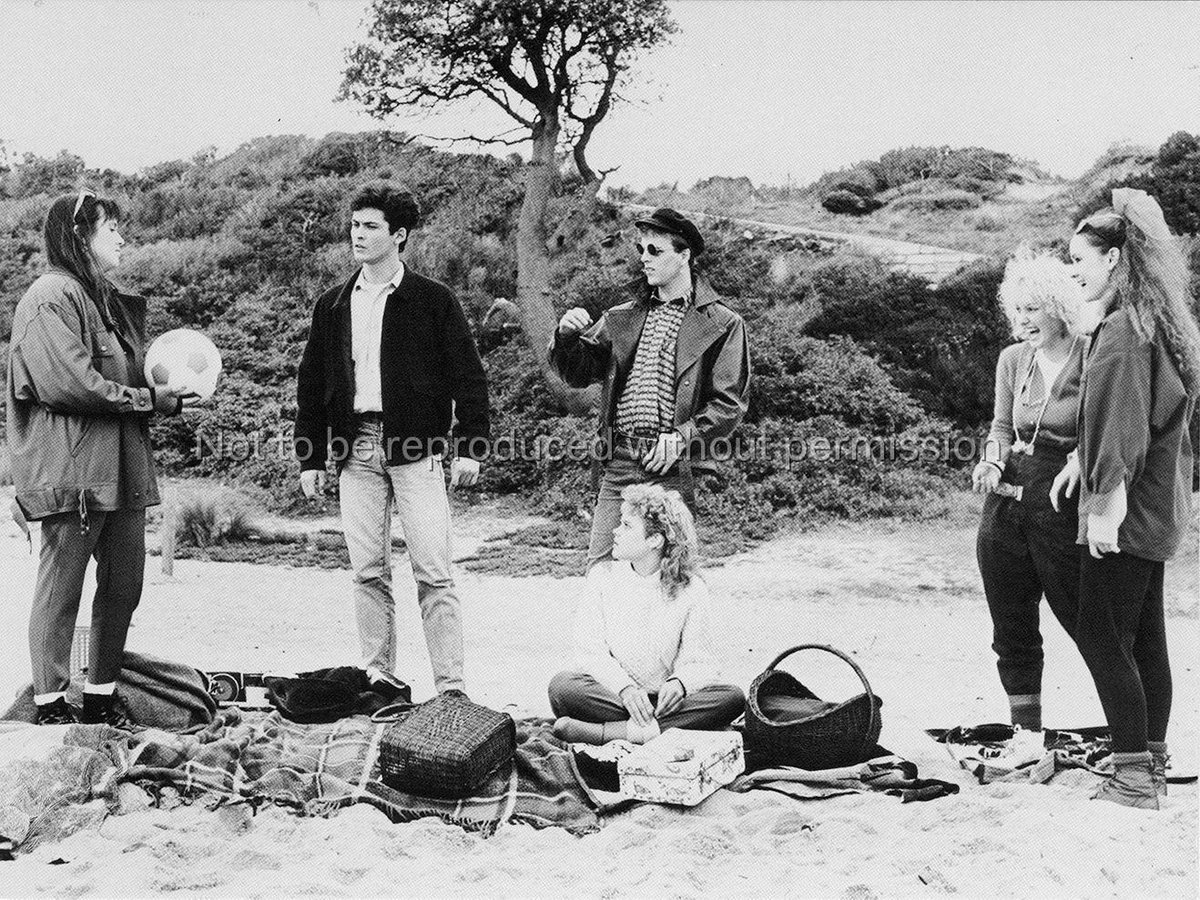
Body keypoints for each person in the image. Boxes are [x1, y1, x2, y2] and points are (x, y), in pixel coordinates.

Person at [294, 183, 489, 697]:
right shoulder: (333, 304)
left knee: (434, 573)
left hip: (415, 448)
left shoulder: (434, 300)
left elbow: (468, 376)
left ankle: (452, 690)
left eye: (370, 226)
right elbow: (312, 385)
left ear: (399, 235)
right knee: (367, 572)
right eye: (354, 225)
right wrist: (310, 456)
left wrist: (471, 445)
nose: (357, 235)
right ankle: (378, 680)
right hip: (354, 447)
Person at [6, 190, 191, 726]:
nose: (124, 239)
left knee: (123, 587)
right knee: (60, 589)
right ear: (81, 236)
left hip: (123, 470)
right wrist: (148, 399)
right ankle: (49, 705)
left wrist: (166, 392)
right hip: (74, 471)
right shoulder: (49, 296)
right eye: (113, 229)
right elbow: (71, 384)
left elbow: (124, 379)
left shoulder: (104, 301)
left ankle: (100, 699)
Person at [1061, 188, 1200, 809]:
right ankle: (1152, 763)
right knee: (1144, 639)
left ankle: (1134, 778)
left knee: (1101, 635)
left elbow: (1121, 430)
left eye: (1079, 260)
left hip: (1129, 506)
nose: (1073, 272)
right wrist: (1086, 465)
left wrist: (1104, 508)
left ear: (1114, 259)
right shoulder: (1153, 324)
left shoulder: (1122, 331)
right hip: (1158, 502)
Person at [549, 208, 750, 568]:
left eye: (655, 250)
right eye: (641, 249)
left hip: (672, 464)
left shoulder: (724, 323)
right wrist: (566, 338)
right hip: (620, 460)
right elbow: (579, 374)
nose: (644, 258)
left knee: (670, 574)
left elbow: (729, 402)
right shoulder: (621, 316)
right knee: (601, 571)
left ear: (684, 255)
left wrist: (682, 437)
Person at [971, 249, 1087, 732]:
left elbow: (1108, 429)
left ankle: (1135, 735)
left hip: (1062, 503)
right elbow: (1001, 427)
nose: (1022, 319)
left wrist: (1081, 459)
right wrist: (991, 460)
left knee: (1087, 624)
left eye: (1033, 308)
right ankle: (1027, 731)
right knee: (1012, 628)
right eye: (1017, 309)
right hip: (1006, 505)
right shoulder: (1013, 359)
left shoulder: (1092, 354)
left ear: (1058, 308)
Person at [549, 484, 745, 744]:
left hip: (666, 703)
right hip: (615, 697)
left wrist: (680, 683)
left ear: (655, 540)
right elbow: (590, 652)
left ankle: (613, 733)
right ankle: (659, 731)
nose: (615, 531)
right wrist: (625, 689)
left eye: (626, 525)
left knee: (732, 698)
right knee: (562, 687)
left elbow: (700, 660)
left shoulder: (691, 588)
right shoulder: (602, 577)